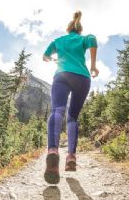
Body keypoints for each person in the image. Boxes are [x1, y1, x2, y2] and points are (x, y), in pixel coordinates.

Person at [42, 11, 99, 184]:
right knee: (72, 117)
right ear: (79, 30)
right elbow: (93, 40)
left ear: (68, 29)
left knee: (57, 110)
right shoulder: (83, 39)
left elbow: (45, 56)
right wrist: (93, 66)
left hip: (62, 75)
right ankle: (71, 157)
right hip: (82, 78)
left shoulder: (58, 41)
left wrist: (52, 59)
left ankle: (53, 151)